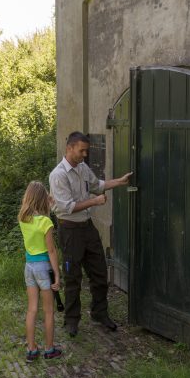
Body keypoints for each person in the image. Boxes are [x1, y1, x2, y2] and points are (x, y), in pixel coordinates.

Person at [49, 132, 132, 337]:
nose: (85, 155)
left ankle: (99, 313)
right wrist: (94, 202)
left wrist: (120, 182)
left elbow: (97, 186)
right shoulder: (58, 175)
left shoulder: (83, 168)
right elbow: (67, 207)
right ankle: (71, 320)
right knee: (73, 277)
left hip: (87, 228)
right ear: (69, 148)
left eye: (87, 151)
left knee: (100, 273)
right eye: (81, 150)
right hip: (69, 230)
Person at [18, 181, 62, 362]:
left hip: (29, 267)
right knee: (49, 311)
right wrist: (57, 274)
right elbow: (51, 251)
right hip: (44, 268)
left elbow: (38, 212)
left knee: (32, 310)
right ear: (43, 199)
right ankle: (49, 348)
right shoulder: (46, 222)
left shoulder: (23, 218)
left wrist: (45, 201)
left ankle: (31, 349)